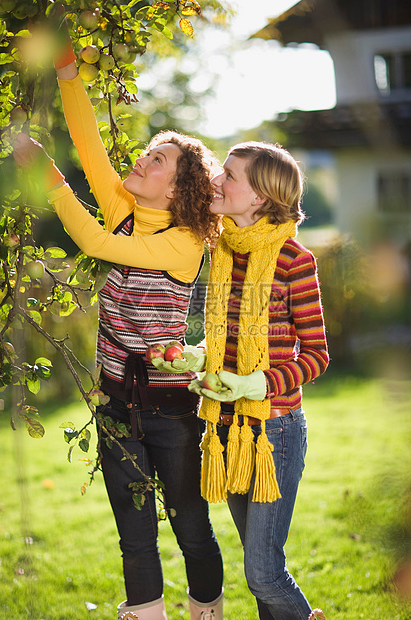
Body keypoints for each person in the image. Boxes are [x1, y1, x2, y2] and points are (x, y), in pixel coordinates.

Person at [13, 39, 224, 620]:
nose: (143, 160)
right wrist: (65, 71)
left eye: (159, 160)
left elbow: (98, 245)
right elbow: (88, 139)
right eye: (148, 152)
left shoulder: (183, 242)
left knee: (192, 530)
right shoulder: (124, 204)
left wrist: (53, 180)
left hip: (169, 408)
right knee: (134, 535)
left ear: (179, 189)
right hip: (115, 405)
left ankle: (208, 611)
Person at [188, 142, 329, 620]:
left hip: (274, 432)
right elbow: (230, 340)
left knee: (264, 574)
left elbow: (316, 355)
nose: (217, 182)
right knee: (260, 568)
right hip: (229, 431)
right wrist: (197, 358)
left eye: (229, 175)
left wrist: (258, 384)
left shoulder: (294, 260)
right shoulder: (222, 250)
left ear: (261, 198)